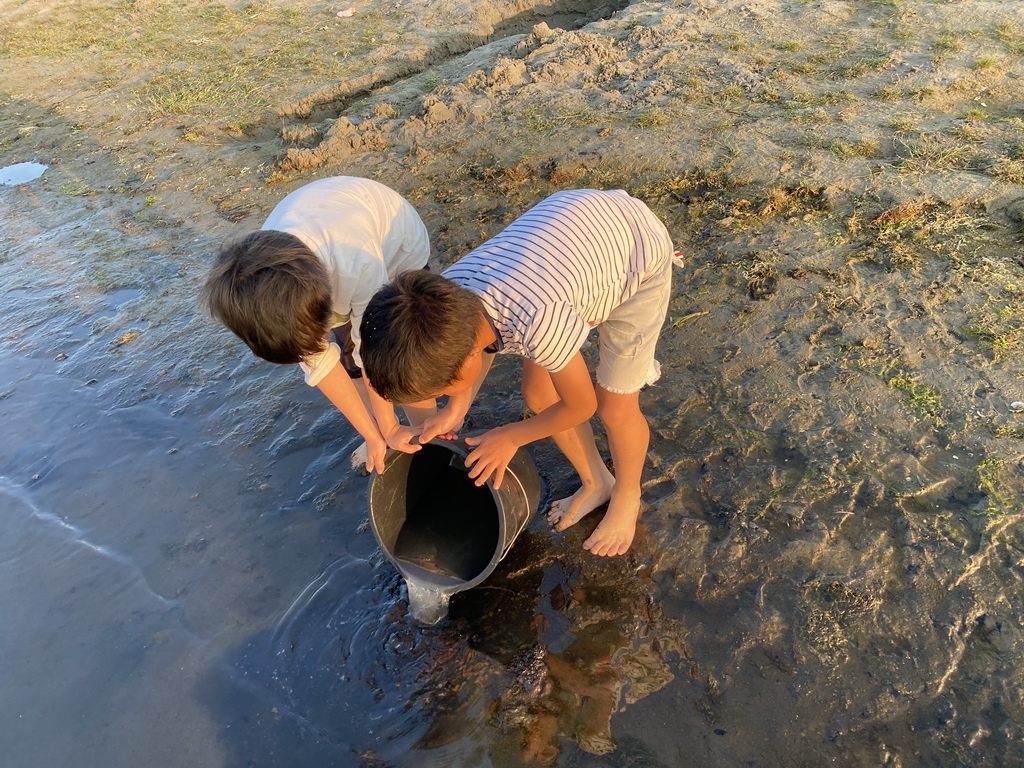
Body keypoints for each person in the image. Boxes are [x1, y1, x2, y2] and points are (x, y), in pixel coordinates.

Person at [360, 189, 675, 557]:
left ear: (467, 357)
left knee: (614, 405)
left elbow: (582, 406)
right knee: (539, 394)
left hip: (634, 254)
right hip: (563, 247)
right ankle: (597, 483)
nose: (442, 396)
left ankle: (627, 495)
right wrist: (455, 410)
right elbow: (480, 344)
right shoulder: (446, 298)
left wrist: (511, 436)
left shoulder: (539, 323)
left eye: (442, 391)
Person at [201, 176, 439, 474]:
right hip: (328, 257)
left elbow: (376, 350)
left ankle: (427, 433)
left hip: (395, 245)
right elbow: (321, 362)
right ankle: (378, 433)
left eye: (321, 327)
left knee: (404, 355)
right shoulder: (274, 298)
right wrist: (375, 434)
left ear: (327, 283)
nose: (320, 340)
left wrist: (395, 426)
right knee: (351, 355)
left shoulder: (355, 263)